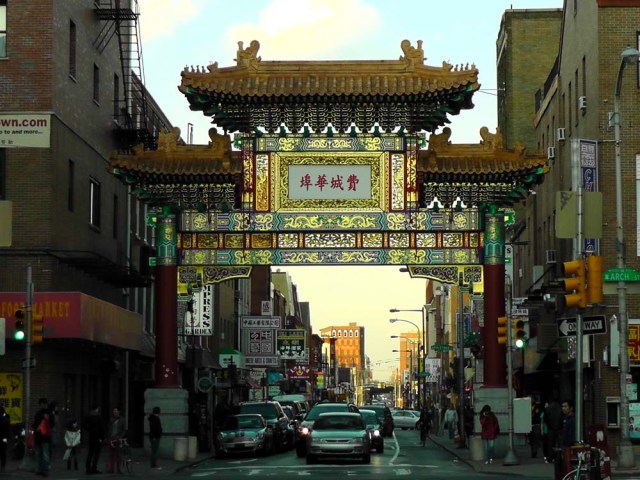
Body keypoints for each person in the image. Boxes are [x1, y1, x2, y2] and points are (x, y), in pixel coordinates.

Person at [32, 397, 52, 477]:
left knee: (45, 454)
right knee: (38, 455)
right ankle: (39, 470)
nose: (43, 405)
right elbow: (35, 424)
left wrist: (48, 420)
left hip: (45, 438)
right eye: (41, 404)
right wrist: (34, 428)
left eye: (44, 404)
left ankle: (45, 470)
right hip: (38, 437)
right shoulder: (38, 413)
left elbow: (52, 424)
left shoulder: (49, 413)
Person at [84, 405, 105, 475]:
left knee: (90, 453)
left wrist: (89, 430)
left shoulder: (88, 416)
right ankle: (94, 468)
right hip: (98, 437)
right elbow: (102, 428)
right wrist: (102, 437)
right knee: (97, 453)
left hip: (91, 437)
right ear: (97, 409)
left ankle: (88, 468)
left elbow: (84, 425)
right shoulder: (99, 417)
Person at [107, 407, 127, 474]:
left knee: (118, 454)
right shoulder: (111, 419)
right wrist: (109, 437)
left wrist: (120, 437)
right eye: (114, 411)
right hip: (112, 438)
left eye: (116, 410)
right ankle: (111, 469)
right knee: (111, 454)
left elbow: (124, 430)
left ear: (119, 411)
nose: (115, 412)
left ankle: (118, 468)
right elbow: (109, 428)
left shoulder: (122, 420)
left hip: (118, 438)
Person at [544, 397, 563, 462]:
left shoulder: (548, 408)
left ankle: (550, 458)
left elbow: (545, 419)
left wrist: (549, 425)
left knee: (550, 444)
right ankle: (560, 457)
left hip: (551, 429)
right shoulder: (560, 408)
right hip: (559, 429)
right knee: (560, 444)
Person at [0, 406, 10, 473]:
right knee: (2, 452)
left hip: (4, 437)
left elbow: (6, 424)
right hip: (3, 437)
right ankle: (2, 466)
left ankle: (3, 466)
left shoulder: (6, 416)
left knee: (3, 451)